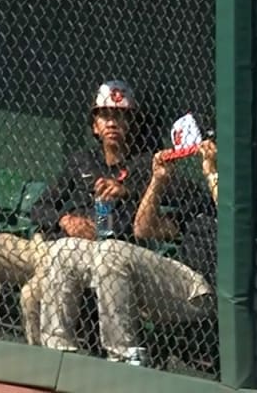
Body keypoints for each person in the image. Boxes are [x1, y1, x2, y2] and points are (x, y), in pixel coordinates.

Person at [0, 80, 150, 344]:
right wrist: (65, 219)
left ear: (132, 124)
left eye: (119, 116)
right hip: (42, 246)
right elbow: (39, 208)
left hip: (76, 259)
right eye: (105, 116)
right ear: (95, 125)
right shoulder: (81, 160)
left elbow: (127, 230)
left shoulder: (141, 170)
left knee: (32, 296)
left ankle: (41, 371)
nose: (111, 123)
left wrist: (107, 209)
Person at [38, 138, 218, 366]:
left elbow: (232, 216)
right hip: (174, 282)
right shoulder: (197, 202)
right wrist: (158, 181)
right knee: (64, 249)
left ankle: (122, 358)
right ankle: (57, 351)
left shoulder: (249, 194)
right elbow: (144, 229)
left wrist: (213, 172)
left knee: (110, 251)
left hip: (203, 291)